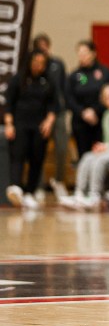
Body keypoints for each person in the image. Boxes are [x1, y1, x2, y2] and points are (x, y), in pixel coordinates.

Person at [59, 84, 109, 210]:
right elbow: (108, 140)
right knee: (88, 157)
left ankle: (95, 196)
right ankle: (79, 193)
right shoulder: (107, 115)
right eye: (107, 98)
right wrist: (103, 148)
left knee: (100, 160)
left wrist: (107, 147)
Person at [4, 50, 57, 210]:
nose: (38, 66)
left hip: (39, 126)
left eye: (42, 63)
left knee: (36, 159)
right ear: (29, 62)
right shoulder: (18, 79)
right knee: (18, 156)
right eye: (36, 62)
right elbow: (8, 104)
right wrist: (9, 124)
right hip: (20, 124)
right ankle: (16, 188)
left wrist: (49, 122)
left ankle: (29, 192)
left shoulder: (48, 81)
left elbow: (53, 105)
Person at [65, 40, 109, 162]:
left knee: (102, 155)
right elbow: (69, 98)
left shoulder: (104, 72)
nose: (82, 56)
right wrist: (83, 112)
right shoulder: (74, 75)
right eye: (80, 53)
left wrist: (94, 111)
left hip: (101, 119)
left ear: (93, 53)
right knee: (84, 156)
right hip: (80, 122)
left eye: (85, 53)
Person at [31, 34, 69, 188]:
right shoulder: (33, 67)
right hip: (40, 114)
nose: (43, 49)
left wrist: (65, 106)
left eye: (45, 46)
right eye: (40, 47)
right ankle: (38, 185)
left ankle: (59, 181)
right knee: (39, 149)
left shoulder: (57, 64)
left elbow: (65, 86)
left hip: (58, 112)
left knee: (62, 148)